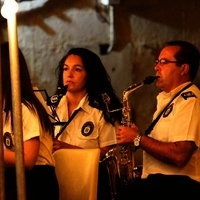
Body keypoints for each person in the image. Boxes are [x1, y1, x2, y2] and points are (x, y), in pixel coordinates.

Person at [116, 40, 200, 199]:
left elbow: (179, 155)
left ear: (184, 68)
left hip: (180, 187)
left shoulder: (190, 101)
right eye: (157, 62)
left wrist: (137, 138)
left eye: (164, 62)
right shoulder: (168, 99)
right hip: (165, 183)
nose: (156, 67)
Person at [52, 47, 122, 200]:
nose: (69, 74)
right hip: (55, 183)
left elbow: (108, 156)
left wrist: (68, 150)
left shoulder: (102, 110)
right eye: (65, 69)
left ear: (90, 74)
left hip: (92, 186)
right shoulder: (50, 107)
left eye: (77, 69)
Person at [1, 42, 59, 200]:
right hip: (14, 178)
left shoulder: (24, 108)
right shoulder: (5, 108)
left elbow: (28, 160)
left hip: (36, 182)